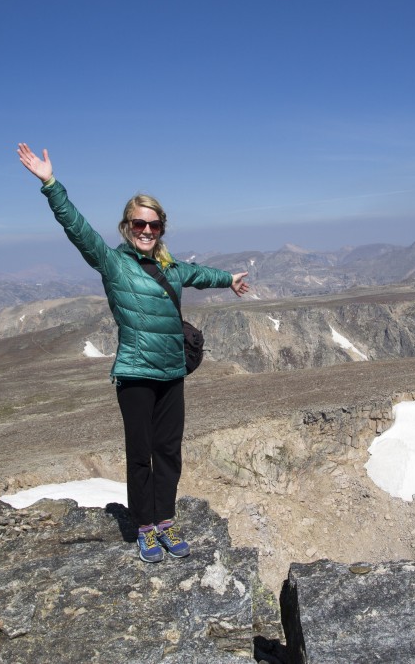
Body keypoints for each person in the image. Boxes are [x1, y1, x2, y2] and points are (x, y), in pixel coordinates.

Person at [17, 143, 250, 563]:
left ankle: (165, 520)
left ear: (162, 228)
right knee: (139, 453)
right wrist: (50, 183)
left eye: (154, 225)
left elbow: (199, 274)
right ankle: (144, 526)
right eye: (139, 224)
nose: (146, 231)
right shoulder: (112, 263)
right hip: (136, 376)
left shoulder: (171, 266)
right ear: (127, 227)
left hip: (172, 373)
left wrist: (228, 278)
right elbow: (77, 229)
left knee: (168, 452)